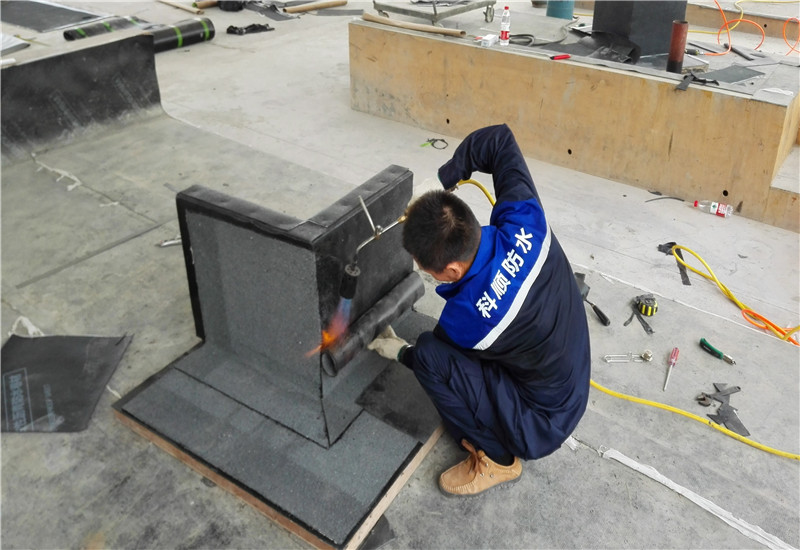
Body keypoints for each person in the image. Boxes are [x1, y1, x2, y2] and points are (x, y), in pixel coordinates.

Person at [368, 124, 591, 497]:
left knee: (430, 355)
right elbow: (499, 140)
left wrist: (401, 352)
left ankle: (497, 459)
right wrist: (442, 181)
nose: (426, 273)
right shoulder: (525, 218)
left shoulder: (468, 319)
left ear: (453, 271)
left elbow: (434, 360)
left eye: (427, 269)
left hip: (541, 424)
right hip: (572, 377)